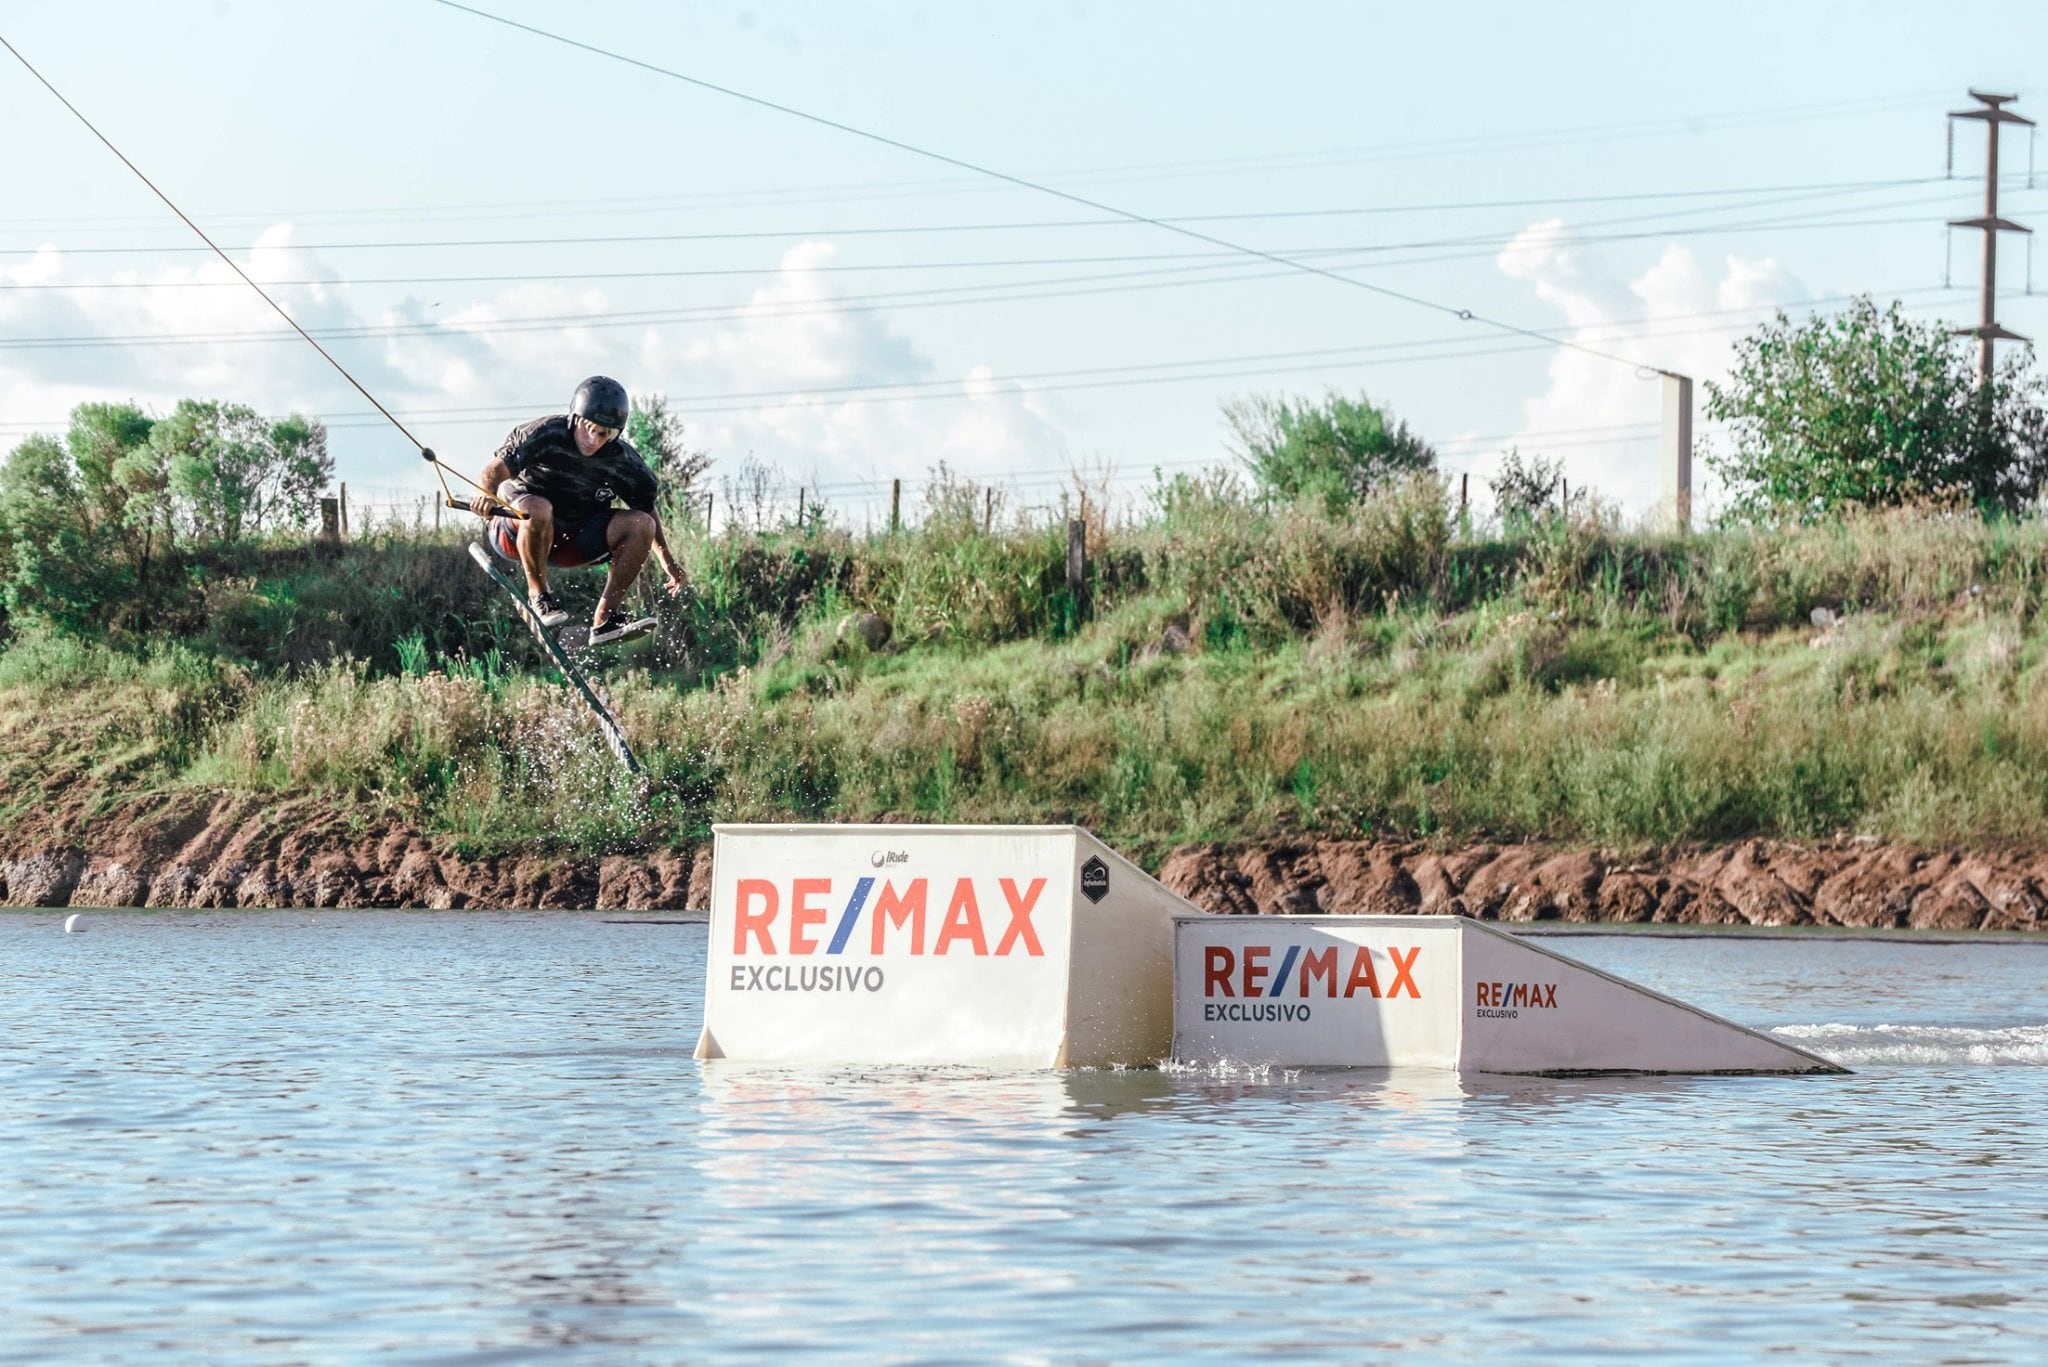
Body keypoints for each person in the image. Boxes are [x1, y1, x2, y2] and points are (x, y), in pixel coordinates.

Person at [470, 375, 686, 646]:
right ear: (575, 419)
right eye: (589, 428)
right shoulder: (544, 433)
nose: (593, 440)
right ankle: (539, 596)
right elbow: (494, 470)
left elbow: (647, 510)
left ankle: (606, 620)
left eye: (604, 434)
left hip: (572, 540)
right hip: (515, 533)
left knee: (641, 523)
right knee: (540, 507)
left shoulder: (625, 463)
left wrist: (667, 559)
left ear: (615, 434)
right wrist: (485, 496)